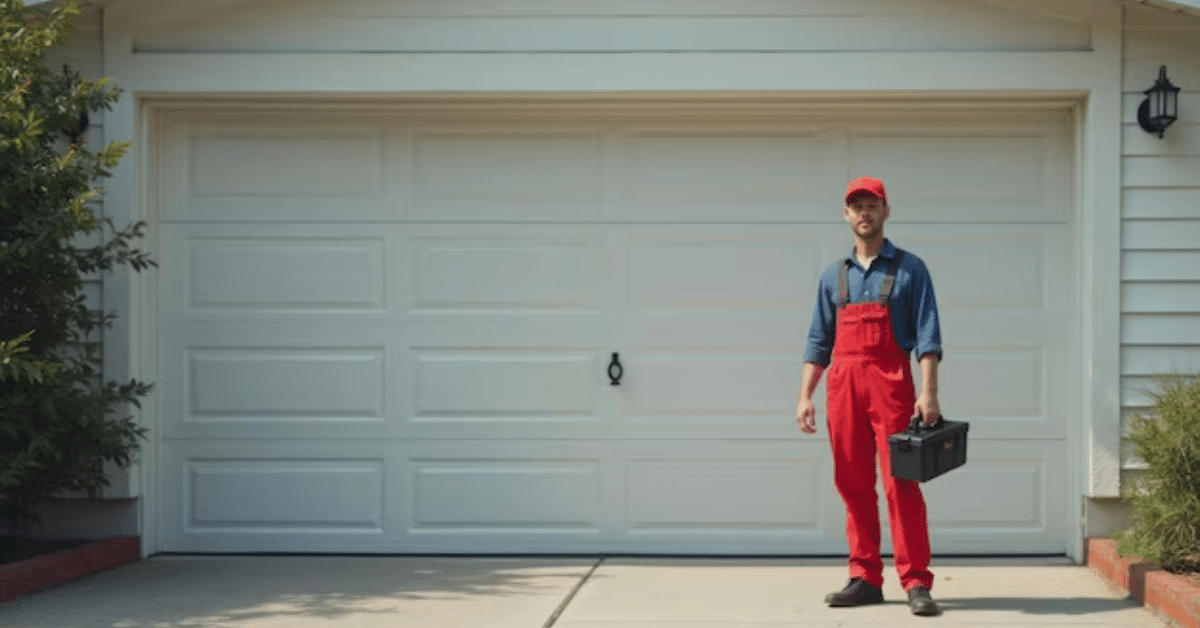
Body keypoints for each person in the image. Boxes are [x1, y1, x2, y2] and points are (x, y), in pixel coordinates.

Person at [796, 176, 943, 617]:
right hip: (843, 386)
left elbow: (928, 336)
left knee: (902, 483)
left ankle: (916, 581)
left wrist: (929, 392)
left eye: (872, 205)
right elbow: (818, 340)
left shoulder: (911, 269)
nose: (865, 213)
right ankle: (864, 577)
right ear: (847, 214)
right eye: (857, 206)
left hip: (891, 384)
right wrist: (805, 396)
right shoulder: (832, 275)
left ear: (886, 211)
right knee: (853, 483)